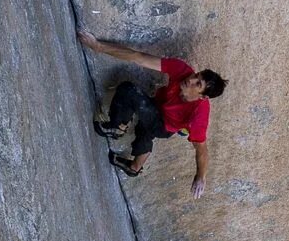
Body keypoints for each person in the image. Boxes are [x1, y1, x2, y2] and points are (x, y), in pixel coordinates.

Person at [78, 31, 225, 198]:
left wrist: (200, 177)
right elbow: (138, 57)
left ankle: (117, 128)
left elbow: (202, 149)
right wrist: (97, 46)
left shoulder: (200, 115)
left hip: (163, 126)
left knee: (129, 91)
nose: (190, 79)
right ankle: (134, 168)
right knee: (144, 129)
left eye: (197, 83)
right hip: (157, 106)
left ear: (203, 96)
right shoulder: (182, 70)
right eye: (196, 76)